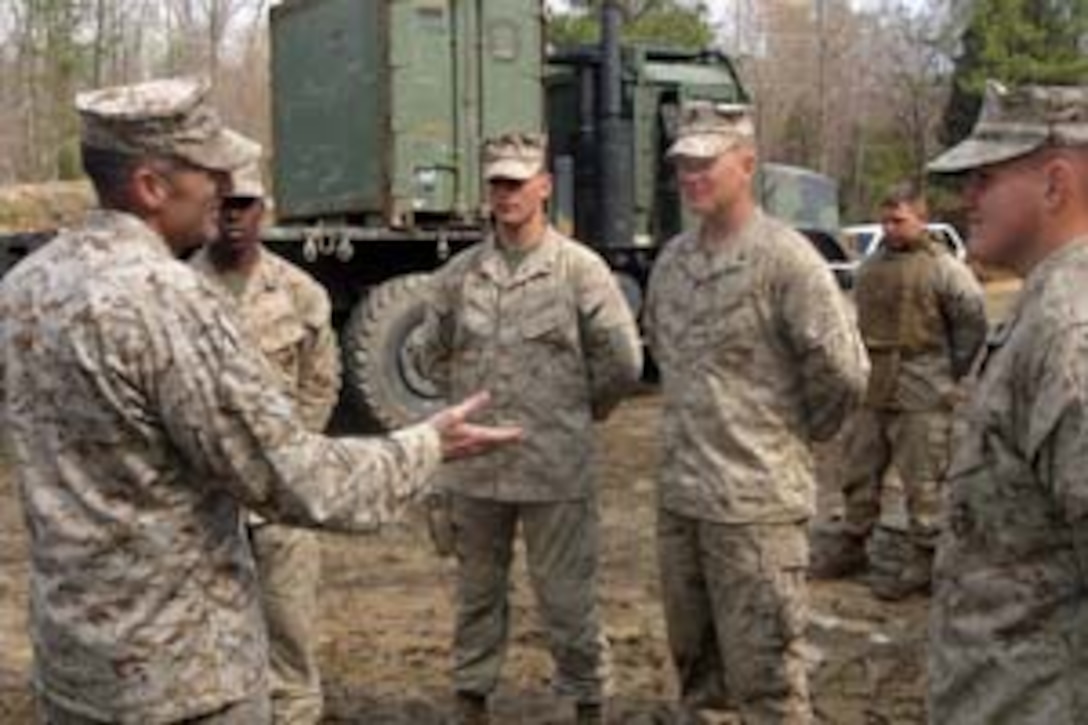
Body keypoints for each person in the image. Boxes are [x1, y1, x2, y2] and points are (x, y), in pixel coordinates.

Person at [0, 77, 520, 725]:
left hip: (75, 674)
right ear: (151, 187)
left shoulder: (26, 286)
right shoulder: (170, 300)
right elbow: (292, 478)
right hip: (184, 682)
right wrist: (425, 444)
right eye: (206, 172)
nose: (222, 190)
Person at [642, 101, 868, 725]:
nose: (691, 177)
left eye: (705, 163)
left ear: (746, 164)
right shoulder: (673, 263)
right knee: (698, 678)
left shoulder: (787, 261)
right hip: (683, 502)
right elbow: (664, 351)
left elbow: (843, 373)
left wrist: (786, 438)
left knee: (768, 685)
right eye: (683, 165)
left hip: (758, 512)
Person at [413, 132, 642, 725]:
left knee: (568, 601)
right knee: (476, 599)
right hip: (476, 473)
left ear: (544, 186)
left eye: (519, 181)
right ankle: (471, 700)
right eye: (497, 183)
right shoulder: (461, 274)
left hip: (553, 470)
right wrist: (461, 397)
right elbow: (423, 352)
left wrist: (574, 411)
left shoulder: (579, 271)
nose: (507, 193)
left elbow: (622, 360)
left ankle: (586, 702)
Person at [925, 81, 1088, 724]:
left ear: (1055, 184)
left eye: (986, 177)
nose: (966, 198)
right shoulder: (1047, 306)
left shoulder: (1071, 331)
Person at [191, 142, 339, 724]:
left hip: (281, 504)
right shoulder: (176, 289)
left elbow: (321, 382)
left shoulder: (299, 293)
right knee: (206, 649)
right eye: (223, 203)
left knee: (290, 646)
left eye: (244, 203)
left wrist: (292, 461)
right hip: (204, 503)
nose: (233, 214)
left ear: (264, 210)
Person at [816, 184, 987, 600]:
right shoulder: (871, 265)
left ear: (920, 219)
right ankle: (853, 544)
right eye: (885, 220)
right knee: (860, 469)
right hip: (875, 383)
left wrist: (948, 374)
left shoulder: (945, 269)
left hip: (923, 385)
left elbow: (972, 323)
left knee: (923, 479)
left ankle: (924, 560)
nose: (890, 228)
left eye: (899, 220)